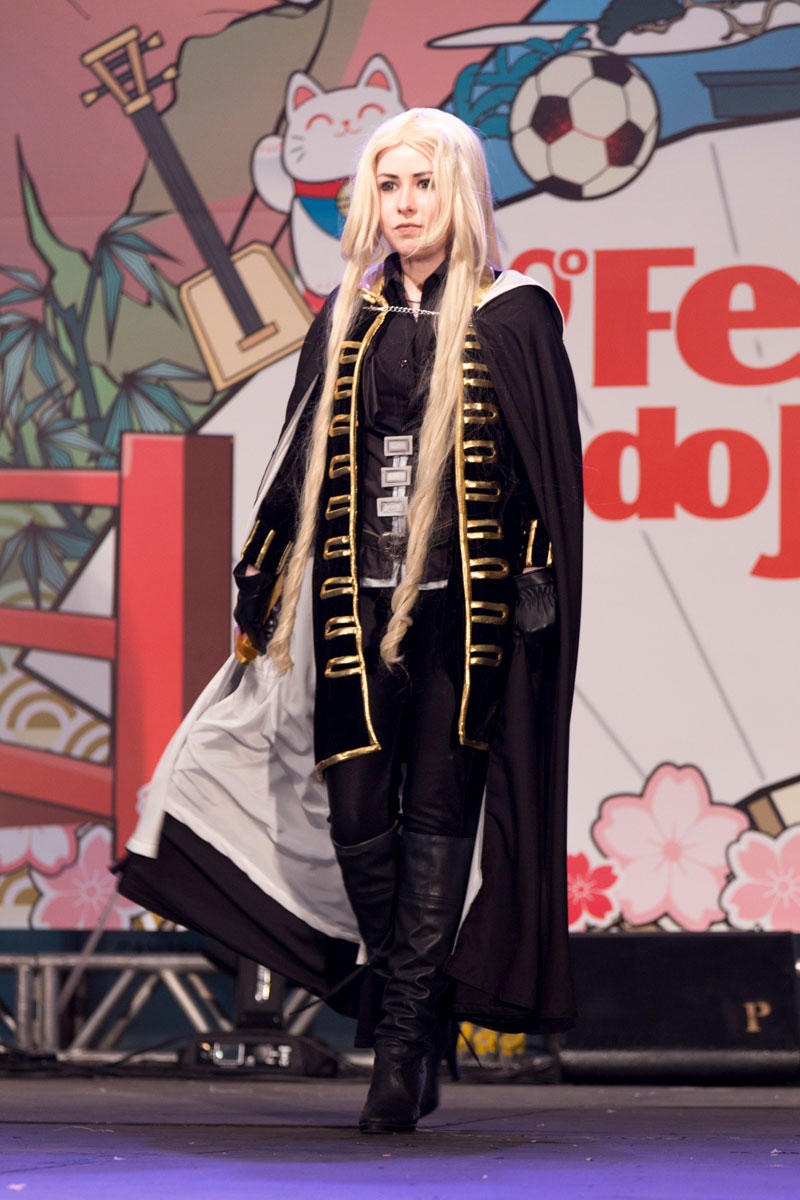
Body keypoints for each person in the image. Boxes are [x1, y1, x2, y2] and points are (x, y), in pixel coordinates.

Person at [119, 108, 583, 1134]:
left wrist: (538, 580)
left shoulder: (513, 314)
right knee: (359, 819)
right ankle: (414, 1008)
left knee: (438, 821)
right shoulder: (347, 315)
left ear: (460, 192)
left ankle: (400, 1047)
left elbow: (543, 477)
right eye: (388, 184)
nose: (404, 205)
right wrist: (261, 563)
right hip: (350, 608)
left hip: (466, 621)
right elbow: (300, 456)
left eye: (422, 183)